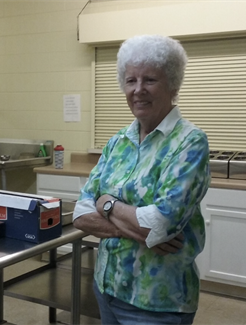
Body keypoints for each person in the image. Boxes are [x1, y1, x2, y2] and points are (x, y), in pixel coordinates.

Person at [73, 34, 211, 325]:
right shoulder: (118, 142)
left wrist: (106, 204)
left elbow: (160, 225)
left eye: (150, 80)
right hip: (107, 288)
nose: (138, 90)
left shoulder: (189, 142)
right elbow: (81, 213)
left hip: (157, 301)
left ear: (172, 84)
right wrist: (132, 226)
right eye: (130, 80)